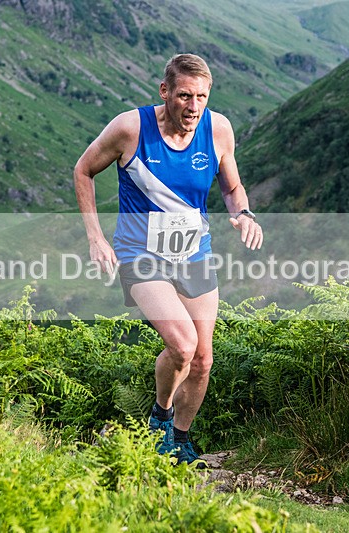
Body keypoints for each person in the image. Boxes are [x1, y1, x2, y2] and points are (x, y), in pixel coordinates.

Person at [74, 53, 262, 467]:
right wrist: (95, 237)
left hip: (194, 252)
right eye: (184, 96)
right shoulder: (131, 128)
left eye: (201, 97)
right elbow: (83, 170)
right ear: (165, 91)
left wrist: (242, 213)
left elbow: (232, 187)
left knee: (203, 359)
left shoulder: (218, 130)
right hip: (140, 254)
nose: (193, 107)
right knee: (182, 343)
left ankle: (180, 439)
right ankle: (160, 416)